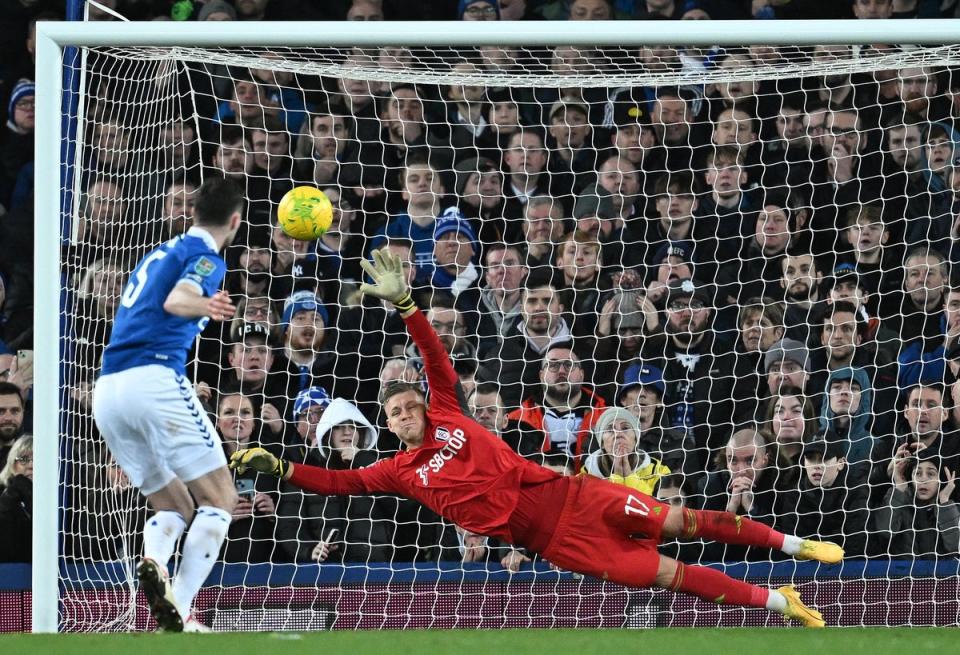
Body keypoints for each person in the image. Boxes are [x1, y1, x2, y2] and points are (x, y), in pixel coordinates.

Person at [232, 250, 841, 628]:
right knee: (670, 576)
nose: (403, 412)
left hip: (575, 495)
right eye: (392, 411)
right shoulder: (399, 471)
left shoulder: (447, 408)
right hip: (553, 541)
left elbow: (436, 357)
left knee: (683, 523)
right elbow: (338, 482)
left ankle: (793, 544)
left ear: (421, 402)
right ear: (388, 424)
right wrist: (282, 469)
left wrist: (408, 306)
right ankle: (778, 602)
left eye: (407, 401)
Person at [92, 177, 244, 632]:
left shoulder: (161, 252)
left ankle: (154, 564)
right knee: (221, 497)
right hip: (153, 378)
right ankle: (180, 609)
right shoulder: (205, 258)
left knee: (175, 506)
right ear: (234, 221)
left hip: (109, 390)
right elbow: (177, 299)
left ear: (193, 212)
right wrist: (205, 306)